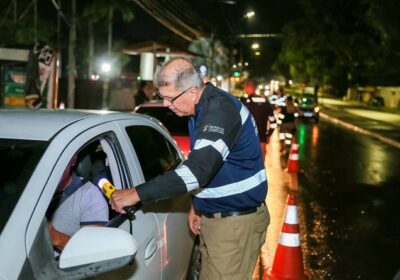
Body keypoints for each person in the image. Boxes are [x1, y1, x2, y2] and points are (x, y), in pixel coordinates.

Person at [110, 57, 270, 279]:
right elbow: (209, 166)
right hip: (219, 220)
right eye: (162, 97)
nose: (166, 104)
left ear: (193, 92)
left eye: (169, 98)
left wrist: (135, 194)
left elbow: (198, 171)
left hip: (235, 225)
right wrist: (198, 203)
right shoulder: (199, 109)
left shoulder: (220, 111)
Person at [47, 154, 109, 252]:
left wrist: (55, 237)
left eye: (60, 159)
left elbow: (93, 251)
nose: (53, 167)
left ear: (73, 160)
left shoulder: (90, 196)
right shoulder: (29, 190)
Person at [240, 79, 278, 159]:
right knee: (259, 167)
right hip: (261, 140)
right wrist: (268, 135)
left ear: (248, 87)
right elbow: (273, 122)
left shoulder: (243, 102)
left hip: (246, 141)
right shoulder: (265, 101)